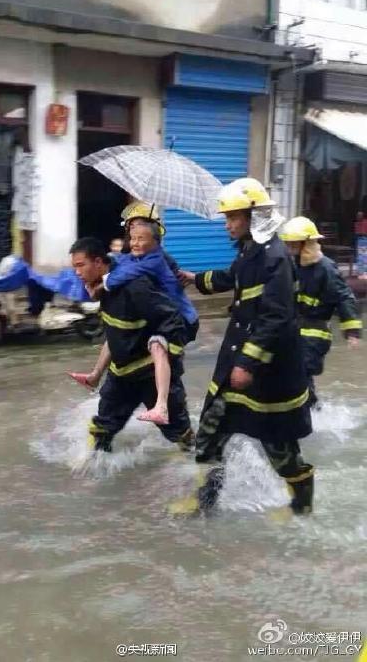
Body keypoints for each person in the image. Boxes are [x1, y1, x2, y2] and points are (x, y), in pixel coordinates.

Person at [178, 178, 314, 516]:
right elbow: (231, 278)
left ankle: (301, 504)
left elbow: (277, 317)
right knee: (211, 431)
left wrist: (248, 363)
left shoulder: (275, 256)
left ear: (253, 215)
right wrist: (194, 278)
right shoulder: (251, 251)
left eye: (233, 217)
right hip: (236, 362)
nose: (227, 224)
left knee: (278, 445)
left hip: (267, 371)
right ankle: (205, 501)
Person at [70, 237, 195, 453]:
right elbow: (115, 333)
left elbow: (171, 320)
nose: (77, 273)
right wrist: (96, 373)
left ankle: (203, 473)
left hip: (149, 375)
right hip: (120, 375)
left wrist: (167, 356)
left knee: (181, 434)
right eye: (74, 267)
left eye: (81, 266)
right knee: (101, 430)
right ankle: (91, 475)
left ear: (99, 263)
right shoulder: (105, 287)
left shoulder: (135, 287)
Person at [103, 218, 198, 425]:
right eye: (132, 238)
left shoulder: (153, 261)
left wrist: (104, 280)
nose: (135, 243)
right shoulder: (139, 257)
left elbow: (116, 278)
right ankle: (94, 374)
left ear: (155, 242)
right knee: (116, 330)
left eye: (141, 239)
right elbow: (122, 261)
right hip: (161, 316)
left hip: (180, 320)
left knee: (157, 345)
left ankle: (161, 406)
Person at [280, 216, 362, 410]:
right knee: (294, 374)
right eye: (288, 243)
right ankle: (312, 411)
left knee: (301, 373)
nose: (289, 247)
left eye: (293, 243)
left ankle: (310, 413)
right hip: (296, 330)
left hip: (315, 333)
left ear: (305, 243)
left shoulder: (325, 267)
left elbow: (344, 297)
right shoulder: (295, 264)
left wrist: (352, 332)